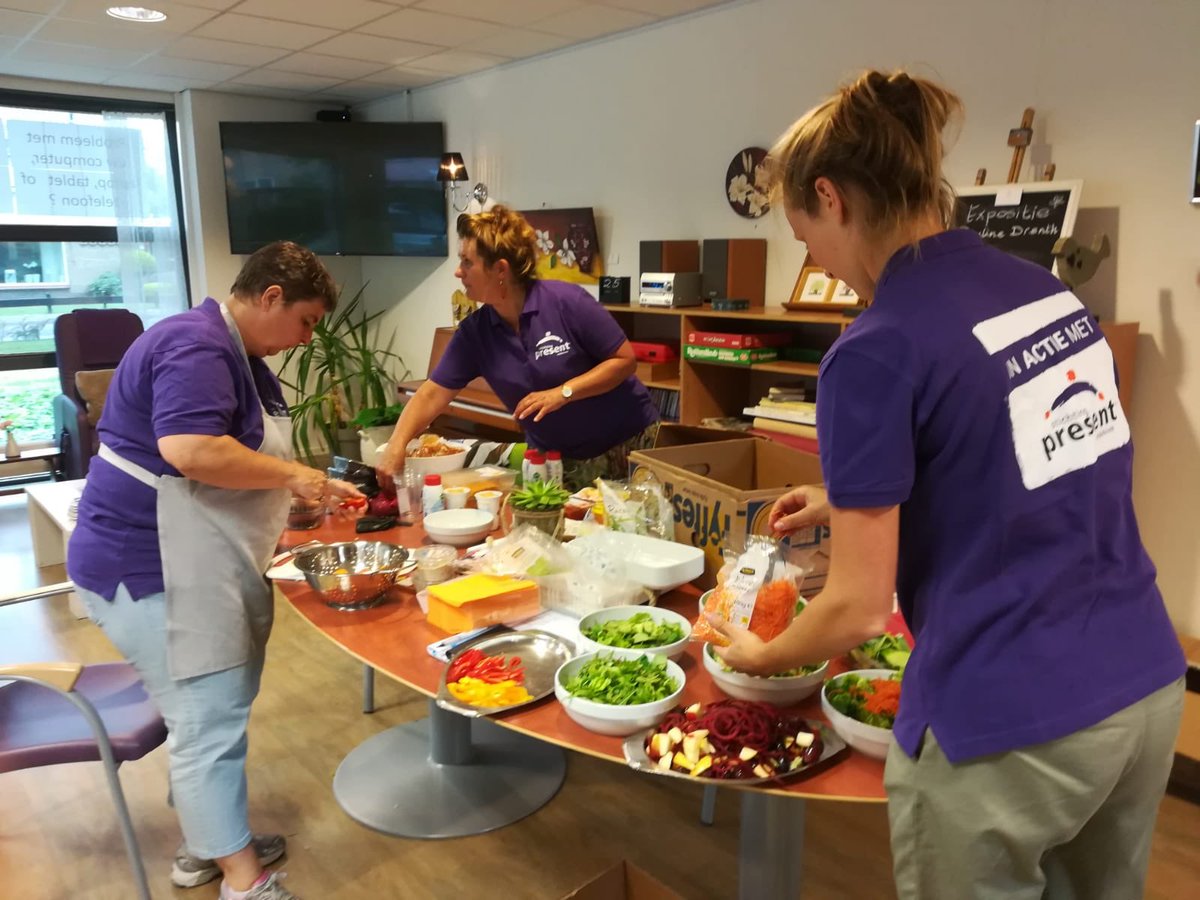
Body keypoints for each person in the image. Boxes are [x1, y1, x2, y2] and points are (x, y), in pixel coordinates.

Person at [708, 70, 1185, 900]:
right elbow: (1031, 466)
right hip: (1142, 685)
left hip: (1011, 718)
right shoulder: (1047, 295)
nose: (817, 262)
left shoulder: (874, 346)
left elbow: (858, 609)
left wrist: (760, 656)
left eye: (805, 235)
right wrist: (847, 502)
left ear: (831, 198)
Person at [68, 241, 363, 900]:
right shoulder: (196, 345)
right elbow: (191, 449)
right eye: (305, 322)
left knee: (211, 709)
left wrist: (296, 495)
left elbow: (241, 460)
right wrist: (295, 475)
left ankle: (208, 844)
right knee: (207, 716)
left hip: (192, 555)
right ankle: (242, 879)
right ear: (271, 296)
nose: (305, 339)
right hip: (148, 563)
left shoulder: (240, 356)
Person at [376, 206, 659, 490]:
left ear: (500, 269)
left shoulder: (567, 301)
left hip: (628, 446)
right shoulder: (475, 333)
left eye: (467, 262)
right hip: (558, 461)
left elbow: (624, 361)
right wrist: (396, 444)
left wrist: (563, 392)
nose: (458, 272)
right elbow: (431, 394)